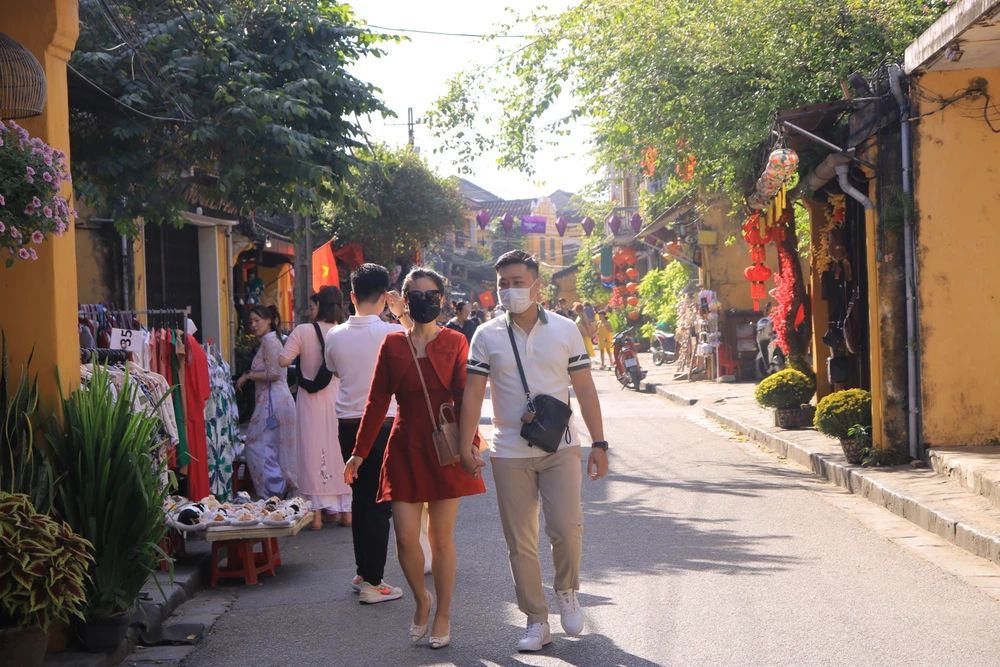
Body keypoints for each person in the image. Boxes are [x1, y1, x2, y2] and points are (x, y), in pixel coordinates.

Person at [459, 250, 609, 653]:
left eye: (517, 282)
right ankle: (536, 620)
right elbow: (473, 393)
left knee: (566, 526)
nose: (510, 290)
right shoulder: (486, 334)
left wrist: (599, 443)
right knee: (520, 542)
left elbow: (584, 388)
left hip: (560, 447)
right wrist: (465, 443)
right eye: (503, 284)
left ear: (536, 285)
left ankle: (567, 590)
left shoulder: (565, 329)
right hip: (508, 451)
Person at [345, 267, 486, 649]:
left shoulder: (456, 342)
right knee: (406, 539)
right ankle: (422, 600)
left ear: (441, 298)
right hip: (405, 447)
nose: (426, 301)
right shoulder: (392, 345)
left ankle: (443, 612)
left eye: (433, 294)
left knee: (441, 539)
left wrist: (470, 445)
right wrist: (358, 452)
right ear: (404, 301)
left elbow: (465, 400)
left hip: (445, 449)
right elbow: (376, 402)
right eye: (418, 295)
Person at [326, 264, 410, 604]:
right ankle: (373, 581)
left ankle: (364, 572)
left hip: (347, 424)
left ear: (352, 295)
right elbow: (418, 345)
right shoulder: (391, 333)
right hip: (382, 424)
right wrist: (402, 314)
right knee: (378, 505)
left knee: (360, 500)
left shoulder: (334, 334)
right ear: (386, 296)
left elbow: (333, 371)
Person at [279, 286, 351, 531]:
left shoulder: (303, 331)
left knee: (312, 451)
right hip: (340, 400)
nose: (309, 311)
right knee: (338, 450)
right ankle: (346, 513)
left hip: (310, 401)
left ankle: (317, 516)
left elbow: (283, 360)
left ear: (319, 305)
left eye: (311, 306)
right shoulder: (345, 331)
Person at [236, 305, 296, 499]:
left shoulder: (270, 342)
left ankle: (274, 489)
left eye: (257, 320)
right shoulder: (269, 341)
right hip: (275, 399)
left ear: (269, 320)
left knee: (257, 445)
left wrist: (248, 375)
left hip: (272, 401)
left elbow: (275, 374)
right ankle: (279, 487)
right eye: (251, 321)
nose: (253, 325)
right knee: (271, 446)